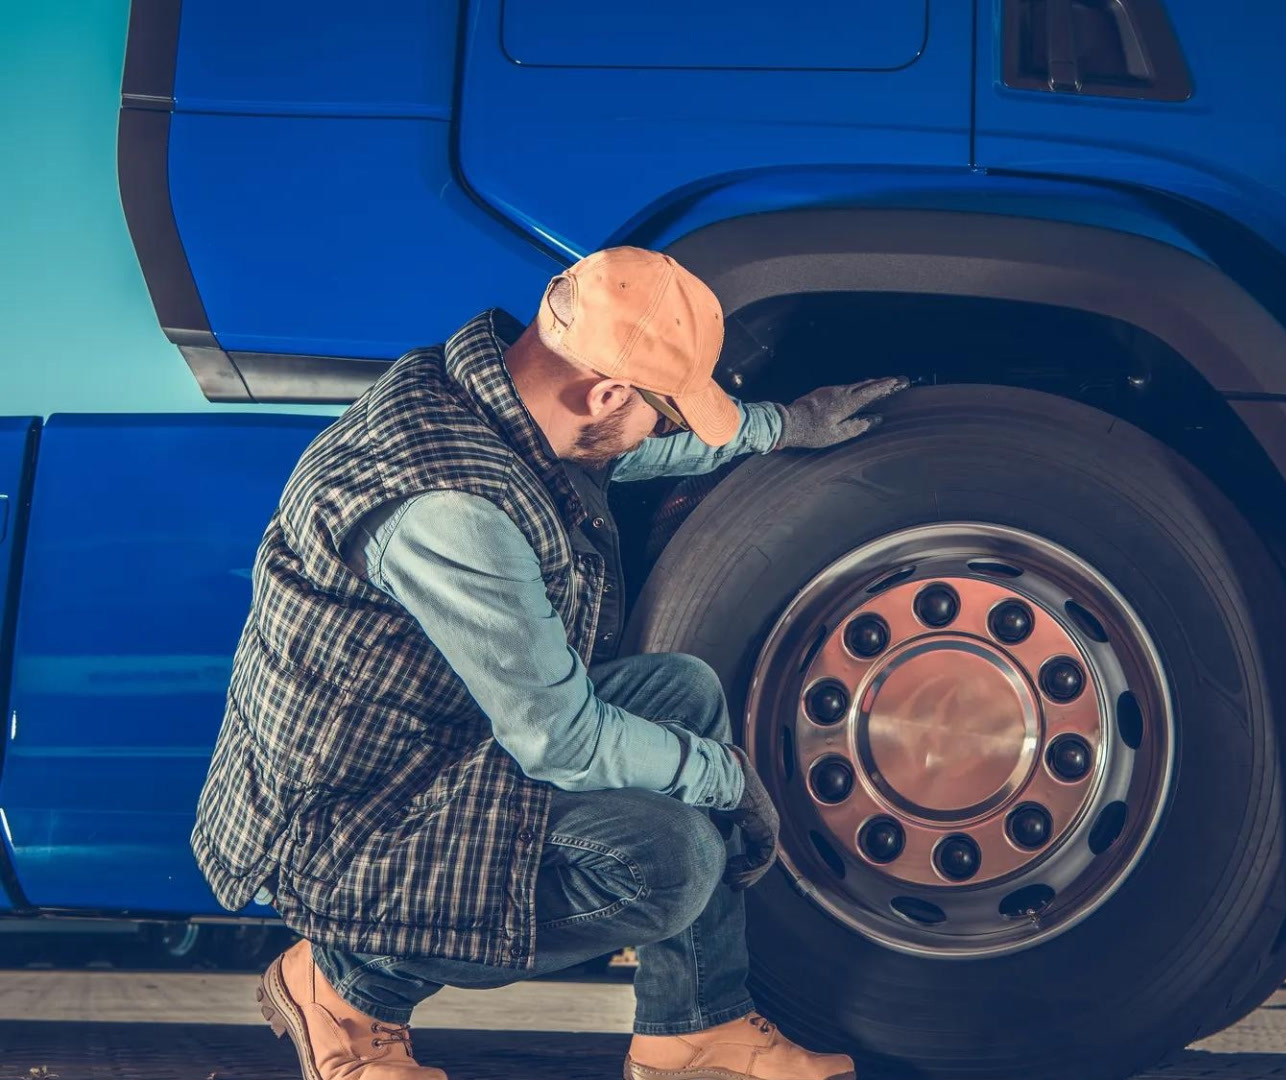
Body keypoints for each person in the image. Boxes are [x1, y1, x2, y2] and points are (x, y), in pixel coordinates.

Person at [193, 246, 902, 1080]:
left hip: (430, 745)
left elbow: (628, 451)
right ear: (604, 393)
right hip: (351, 817)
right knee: (669, 863)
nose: (665, 434)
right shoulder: (451, 508)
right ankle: (342, 986)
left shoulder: (489, 398)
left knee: (684, 690)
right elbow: (560, 743)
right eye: (666, 414)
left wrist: (785, 426)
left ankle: (691, 1029)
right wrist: (725, 777)